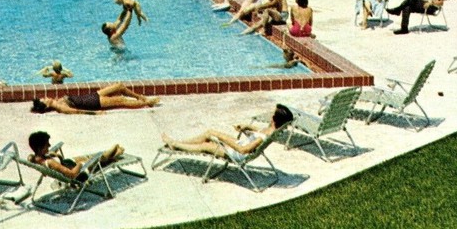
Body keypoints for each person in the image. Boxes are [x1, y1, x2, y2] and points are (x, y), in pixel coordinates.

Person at [160, 104, 293, 160]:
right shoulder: (271, 130)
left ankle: (175, 144)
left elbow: (243, 150)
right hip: (239, 143)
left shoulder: (265, 136)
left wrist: (223, 139)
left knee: (206, 145)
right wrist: (246, 127)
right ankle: (179, 142)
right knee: (208, 133)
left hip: (236, 153)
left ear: (274, 118)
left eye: (272, 113)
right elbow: (259, 132)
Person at [27, 131, 125, 182]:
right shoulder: (51, 163)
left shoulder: (35, 159)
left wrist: (55, 156)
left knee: (91, 156)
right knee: (100, 158)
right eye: (46, 144)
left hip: (69, 163)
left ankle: (113, 152)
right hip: (79, 172)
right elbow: (72, 174)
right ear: (39, 148)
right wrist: (80, 164)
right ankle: (116, 150)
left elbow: (30, 157)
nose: (49, 145)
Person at [30, 83, 159, 115]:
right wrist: (96, 113)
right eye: (43, 100)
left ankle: (140, 97)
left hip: (92, 95)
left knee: (119, 86)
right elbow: (77, 112)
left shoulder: (57, 101)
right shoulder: (59, 107)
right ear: (46, 106)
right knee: (121, 100)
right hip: (93, 103)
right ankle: (147, 103)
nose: (45, 97)